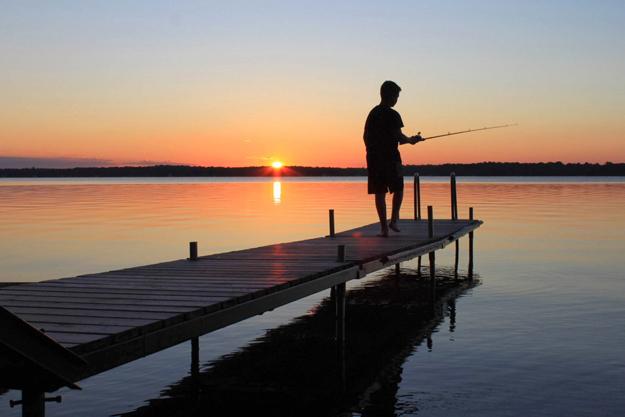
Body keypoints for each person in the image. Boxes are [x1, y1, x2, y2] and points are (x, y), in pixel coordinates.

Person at [363, 80, 423, 237]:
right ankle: (394, 220)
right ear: (389, 96)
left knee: (379, 192)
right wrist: (412, 140)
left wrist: (372, 150)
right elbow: (398, 136)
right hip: (391, 157)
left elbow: (365, 136)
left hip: (374, 158)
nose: (397, 100)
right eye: (396, 96)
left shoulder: (373, 113)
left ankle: (384, 228)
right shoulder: (393, 114)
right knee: (399, 188)